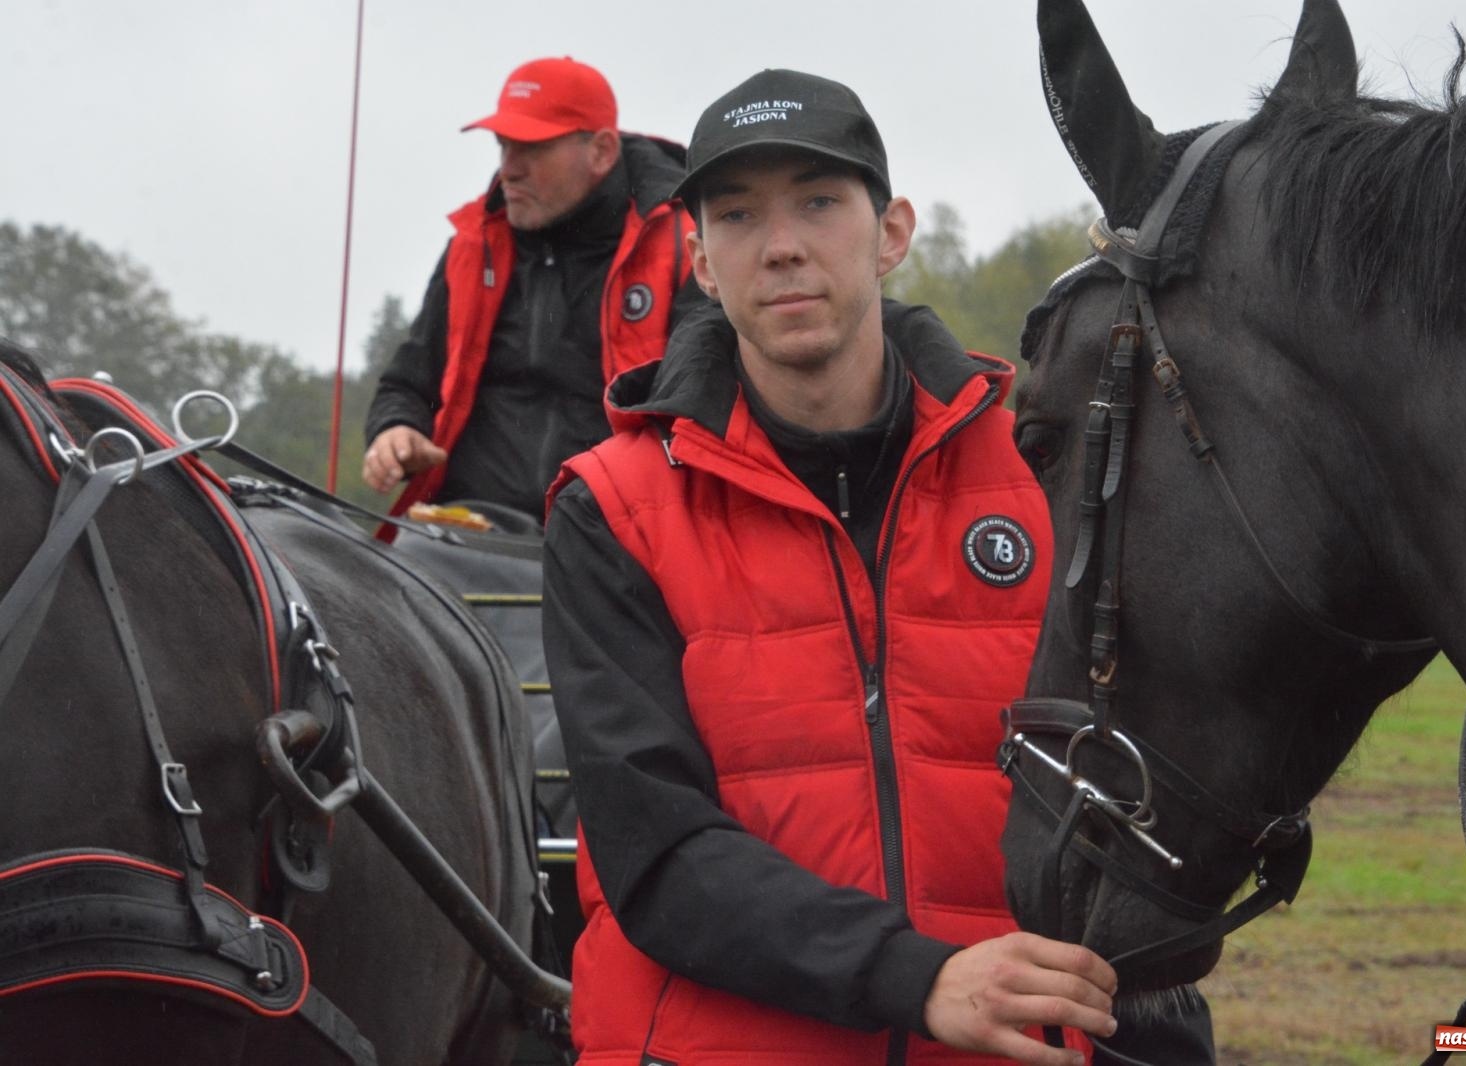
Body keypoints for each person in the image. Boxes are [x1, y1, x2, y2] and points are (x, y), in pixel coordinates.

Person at [543, 68, 1116, 1066]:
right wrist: (921, 977)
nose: (782, 246)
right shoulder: (613, 506)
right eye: (737, 216)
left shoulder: (1041, 468)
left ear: (891, 231)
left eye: (817, 202)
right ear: (702, 262)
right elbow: (658, 854)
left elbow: (1128, 793)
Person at [363, 56, 702, 522]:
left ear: (602, 151)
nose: (509, 169)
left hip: (614, 534)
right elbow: (407, 384)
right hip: (460, 525)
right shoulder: (471, 246)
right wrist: (394, 430)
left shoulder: (685, 247)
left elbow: (704, 416)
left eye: (531, 148)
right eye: (504, 145)